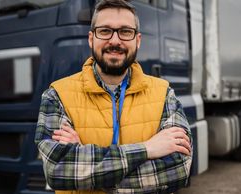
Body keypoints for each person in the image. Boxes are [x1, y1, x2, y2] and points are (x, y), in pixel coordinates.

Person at [34, 0, 192, 193]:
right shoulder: (57, 95)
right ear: (91, 38)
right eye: (105, 31)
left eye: (125, 31)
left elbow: (179, 169)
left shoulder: (164, 93)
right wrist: (147, 149)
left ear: (138, 40)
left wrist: (87, 169)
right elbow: (58, 171)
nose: (115, 41)